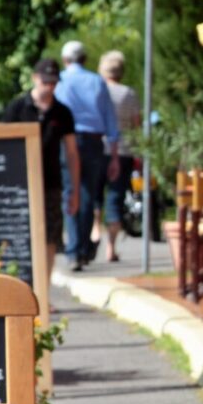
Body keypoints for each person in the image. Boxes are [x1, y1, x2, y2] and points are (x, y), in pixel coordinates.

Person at [0, 59, 81, 270]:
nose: (49, 86)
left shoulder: (62, 112)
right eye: (45, 81)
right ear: (35, 78)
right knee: (20, 237)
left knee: (50, 237)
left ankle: (44, 293)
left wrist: (75, 190)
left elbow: (72, 153)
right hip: (19, 185)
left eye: (53, 82)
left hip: (51, 183)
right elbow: (0, 147)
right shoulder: (17, 108)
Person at [56, 40, 120, 271]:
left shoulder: (61, 81)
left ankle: (74, 249)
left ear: (65, 60)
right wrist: (113, 155)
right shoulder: (96, 81)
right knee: (87, 195)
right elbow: (110, 120)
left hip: (67, 141)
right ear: (84, 59)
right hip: (93, 143)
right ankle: (81, 249)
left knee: (70, 192)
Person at [99, 50, 142, 263]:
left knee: (96, 195)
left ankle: (94, 232)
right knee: (115, 198)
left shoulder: (98, 91)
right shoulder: (128, 94)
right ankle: (110, 247)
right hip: (124, 151)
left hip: (98, 148)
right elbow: (137, 125)